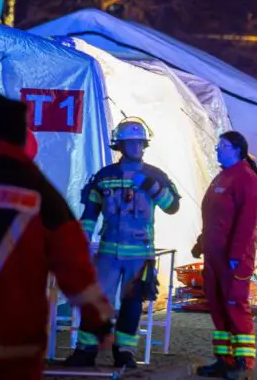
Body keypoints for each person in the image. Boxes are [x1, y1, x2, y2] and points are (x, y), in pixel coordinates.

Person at [0, 96, 114, 379]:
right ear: (23, 139)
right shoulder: (42, 196)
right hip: (14, 344)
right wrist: (100, 321)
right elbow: (74, 266)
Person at [65, 117, 181, 368]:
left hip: (139, 255)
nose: (137, 147)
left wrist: (152, 187)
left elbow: (172, 207)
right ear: (120, 145)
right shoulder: (105, 176)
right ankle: (86, 350)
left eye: (140, 143)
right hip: (108, 252)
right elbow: (90, 212)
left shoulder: (154, 175)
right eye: (132, 143)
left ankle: (124, 353)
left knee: (131, 305)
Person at [193, 131, 257, 379]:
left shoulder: (246, 179)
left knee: (235, 307)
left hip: (232, 260)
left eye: (222, 146)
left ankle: (244, 361)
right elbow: (214, 218)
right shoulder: (223, 177)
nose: (217, 149)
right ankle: (224, 359)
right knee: (218, 308)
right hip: (214, 257)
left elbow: (246, 223)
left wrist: (234, 258)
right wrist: (202, 243)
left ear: (236, 149)